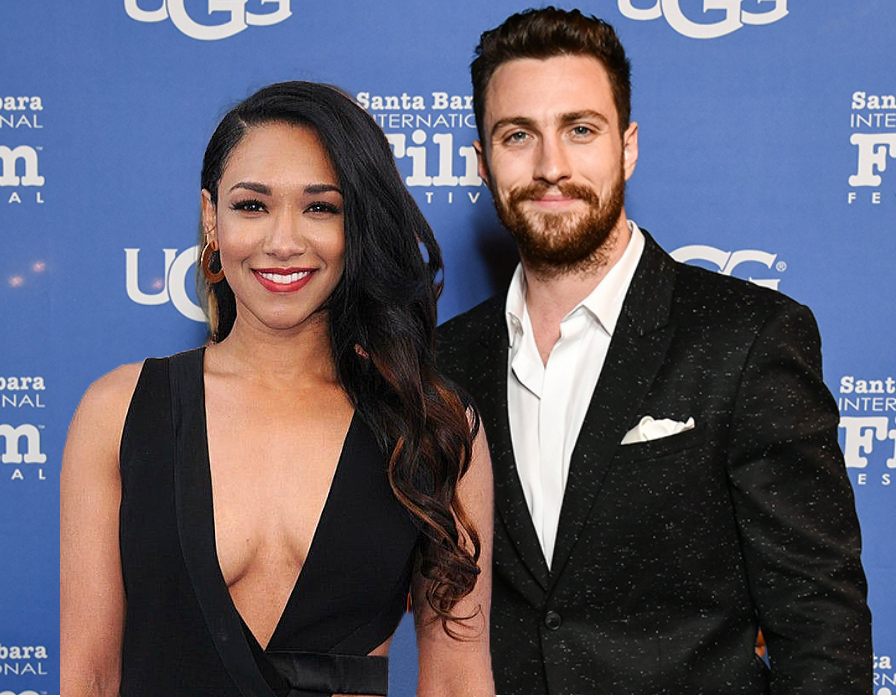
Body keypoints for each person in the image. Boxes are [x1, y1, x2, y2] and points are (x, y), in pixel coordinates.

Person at [437, 7, 872, 695]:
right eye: (518, 135)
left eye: (581, 130)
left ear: (628, 147)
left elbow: (821, 628)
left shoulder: (747, 336)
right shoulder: (445, 362)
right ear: (482, 163)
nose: (551, 167)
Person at [60, 81, 494, 697]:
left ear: (358, 224)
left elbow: (457, 678)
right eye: (252, 206)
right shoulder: (119, 412)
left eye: (321, 208)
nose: (283, 242)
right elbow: (90, 677)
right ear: (211, 217)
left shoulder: (431, 422)